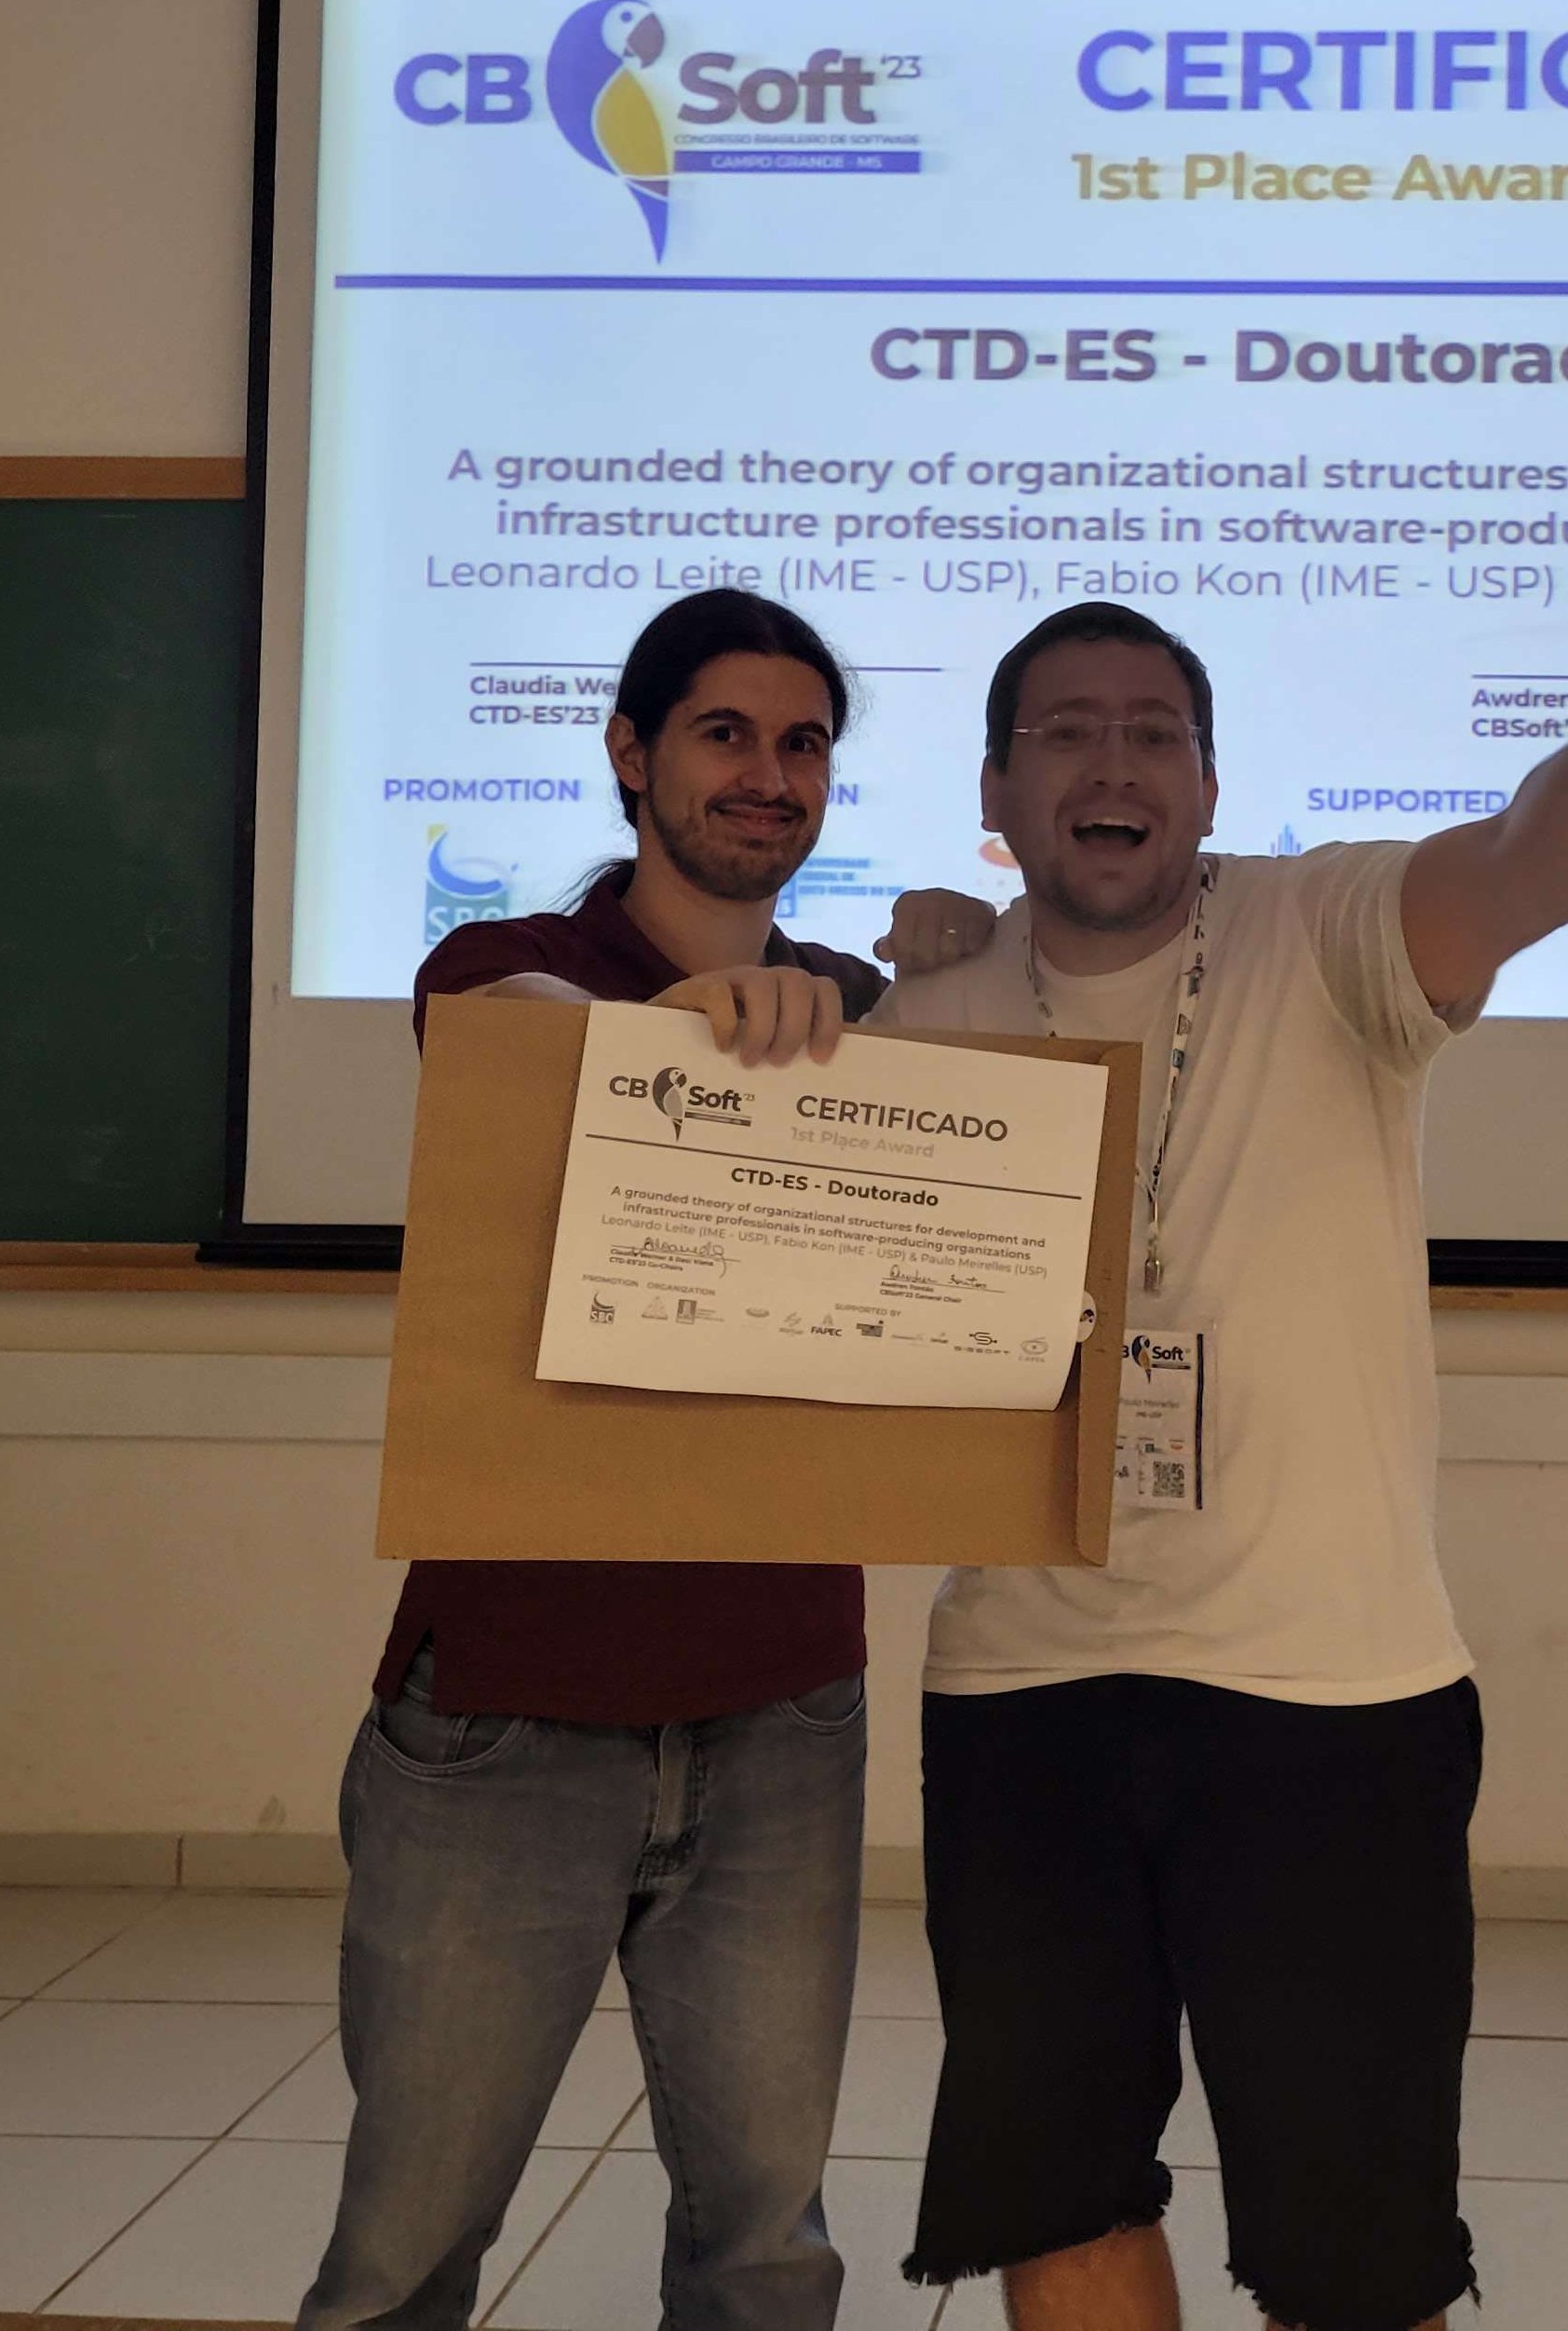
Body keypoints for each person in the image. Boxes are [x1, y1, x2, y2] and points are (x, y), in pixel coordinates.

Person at [872, 521, 1568, 2331]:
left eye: (1153, 727)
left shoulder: (1328, 929)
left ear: (1209, 783)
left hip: (1329, 1703)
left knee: (1349, 2248)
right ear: (996, 786)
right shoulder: (922, 1003)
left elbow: (1539, 850)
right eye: (1063, 729)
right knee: (1052, 2197)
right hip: (1018, 1698)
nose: (1112, 757)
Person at [300, 588, 992, 2331]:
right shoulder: (500, 964)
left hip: (782, 1712)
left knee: (767, 2248)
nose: (769, 773)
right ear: (629, 751)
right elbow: (507, 1021)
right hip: (506, 1717)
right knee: (405, 2252)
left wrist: (976, 984)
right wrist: (691, 1027)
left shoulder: (867, 1011)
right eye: (725, 732)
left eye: (805, 741)